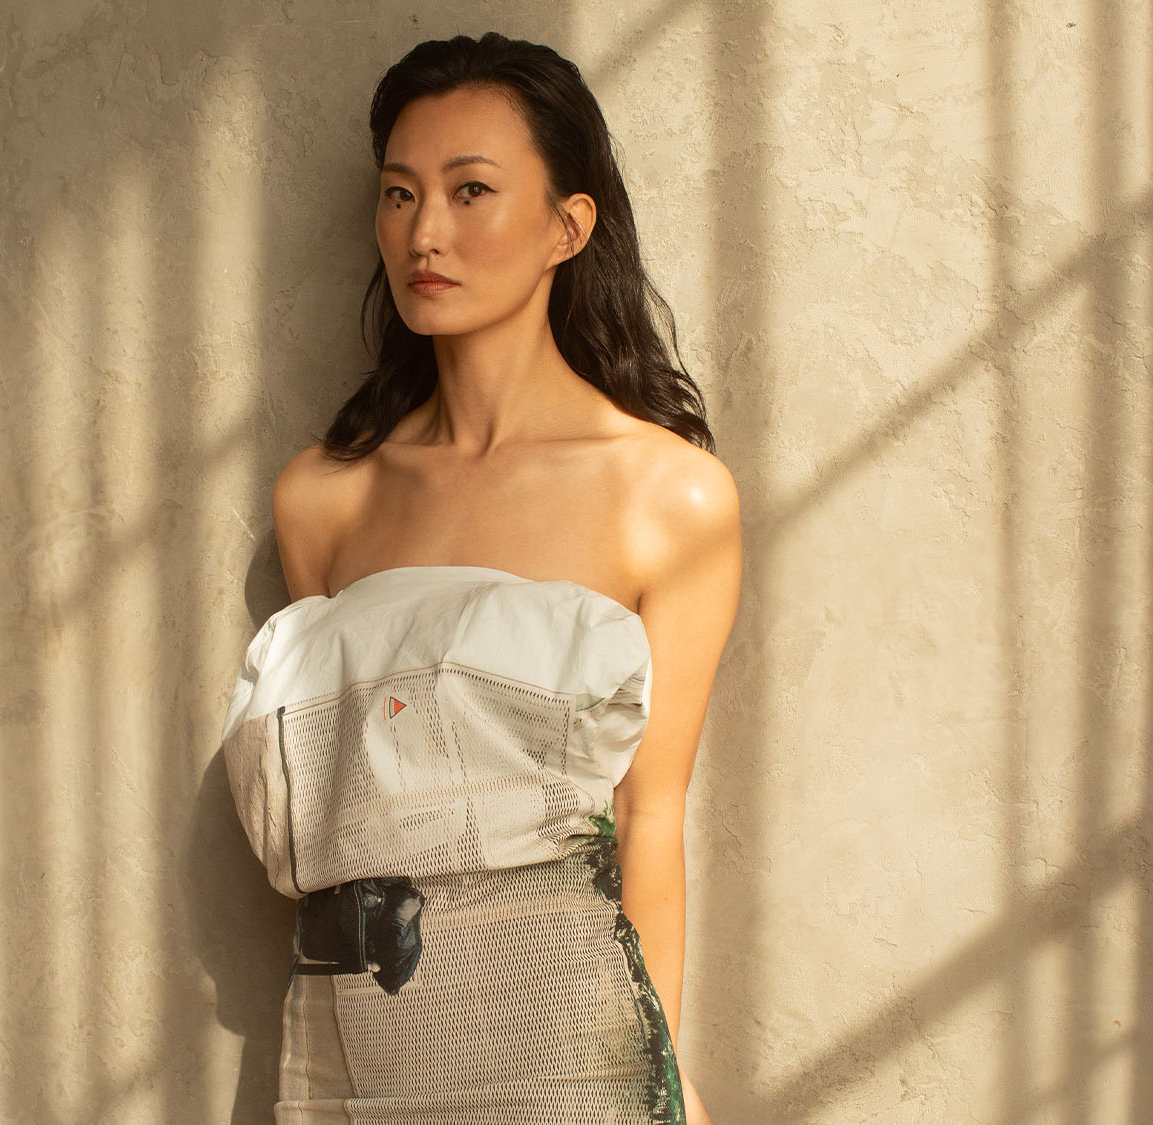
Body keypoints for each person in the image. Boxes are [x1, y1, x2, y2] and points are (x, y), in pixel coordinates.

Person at [219, 30, 740, 1124]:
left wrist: (649, 1071)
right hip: (359, 1039)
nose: (425, 233)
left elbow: (650, 817)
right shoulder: (326, 497)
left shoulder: (667, 496)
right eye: (400, 195)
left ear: (567, 225)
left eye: (470, 192)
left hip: (564, 1037)